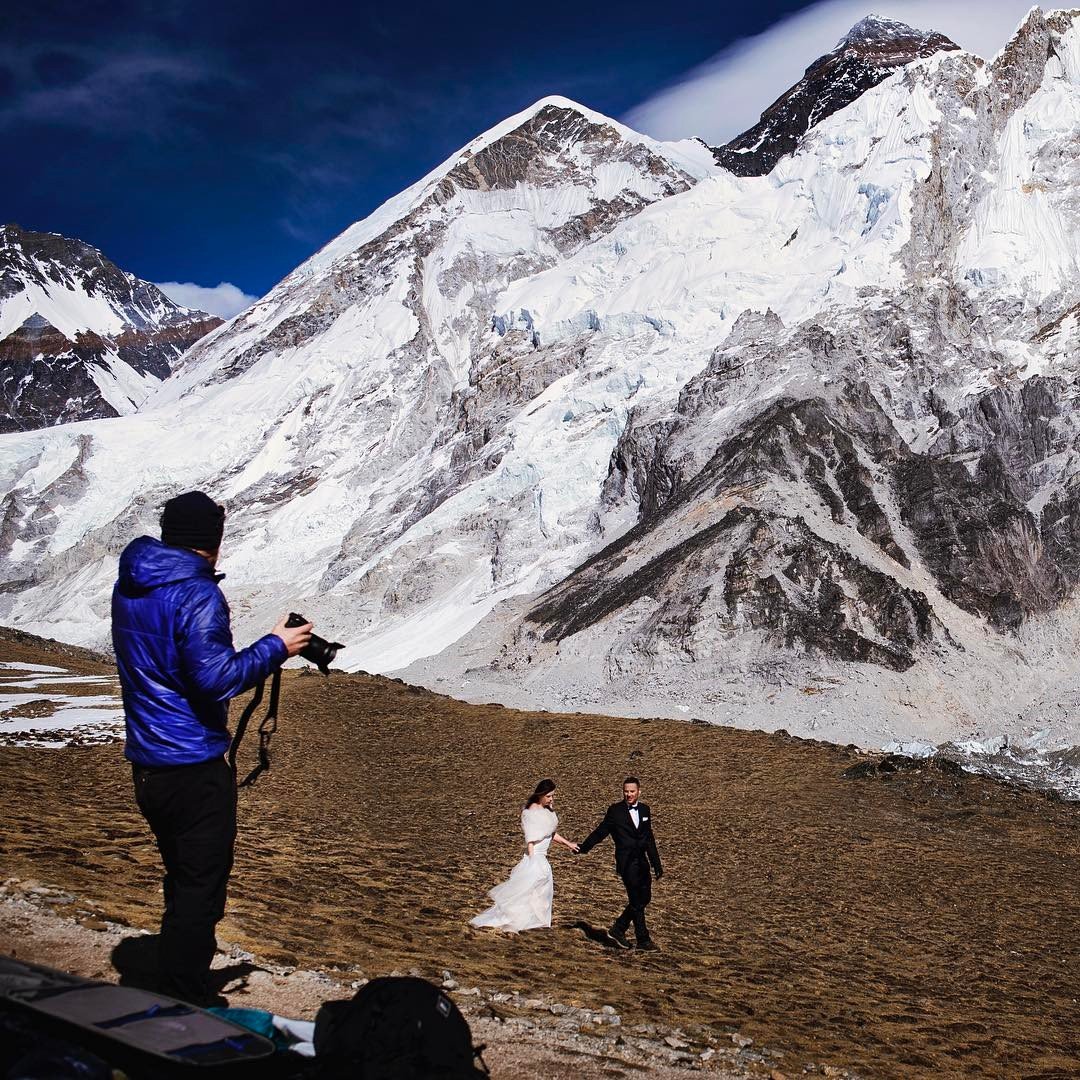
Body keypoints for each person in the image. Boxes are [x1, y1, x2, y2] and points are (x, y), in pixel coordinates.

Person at [111, 490, 312, 1004]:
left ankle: (172, 975)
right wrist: (277, 647)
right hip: (193, 764)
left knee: (181, 875)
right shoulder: (196, 594)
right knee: (202, 884)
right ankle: (184, 998)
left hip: (148, 761)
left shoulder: (133, 582)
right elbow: (216, 680)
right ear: (214, 542)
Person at [470, 779, 579, 933]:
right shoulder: (531, 812)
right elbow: (531, 839)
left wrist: (568, 844)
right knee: (527, 893)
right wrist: (533, 861)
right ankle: (524, 922)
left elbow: (550, 834)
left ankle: (536, 922)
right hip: (535, 858)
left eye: (553, 796)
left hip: (543, 860)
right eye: (549, 796)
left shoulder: (546, 810)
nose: (551, 799)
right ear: (541, 795)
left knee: (542, 894)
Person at [576, 776, 663, 950]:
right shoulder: (615, 811)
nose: (629, 794)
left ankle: (619, 928)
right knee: (636, 899)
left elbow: (649, 838)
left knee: (644, 898)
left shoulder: (645, 810)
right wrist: (584, 847)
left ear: (639, 791)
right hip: (626, 862)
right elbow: (601, 831)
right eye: (626, 791)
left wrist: (656, 863)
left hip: (642, 861)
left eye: (632, 791)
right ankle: (643, 940)